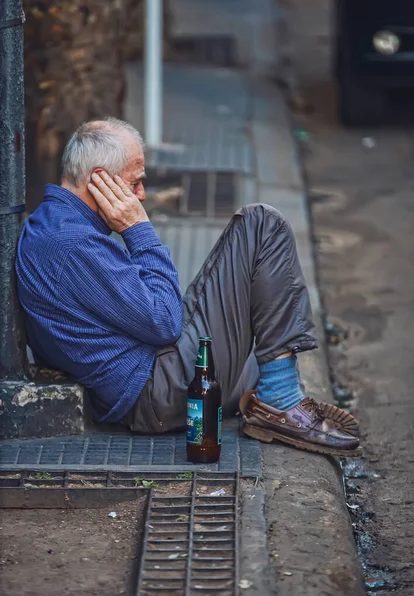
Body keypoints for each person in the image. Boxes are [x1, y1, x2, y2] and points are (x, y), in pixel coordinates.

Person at [16, 118, 361, 457]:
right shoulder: (72, 244)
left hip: (150, 381)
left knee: (265, 355)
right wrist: (139, 229)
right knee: (261, 224)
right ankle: (281, 404)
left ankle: (276, 395)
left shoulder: (54, 224)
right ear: (100, 181)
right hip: (157, 390)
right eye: (135, 183)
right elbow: (166, 321)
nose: (142, 194)